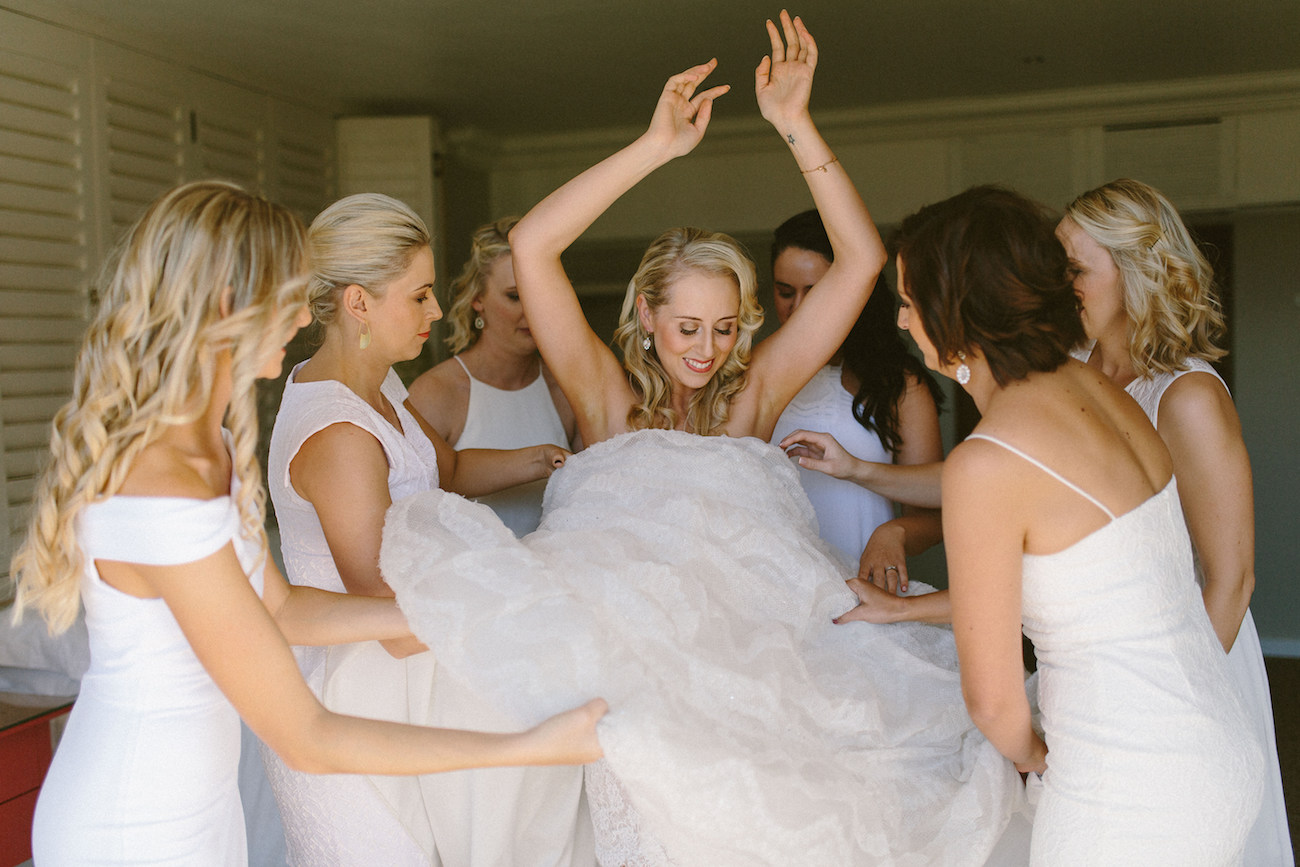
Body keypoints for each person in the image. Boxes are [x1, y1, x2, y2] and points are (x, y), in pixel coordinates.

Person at [381, 16, 1033, 867]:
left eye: (726, 327)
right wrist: (655, 145)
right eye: (686, 325)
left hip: (765, 666)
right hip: (637, 670)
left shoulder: (751, 394)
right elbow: (535, 244)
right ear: (646, 316)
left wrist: (796, 123)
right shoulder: (604, 395)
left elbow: (861, 259)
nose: (706, 348)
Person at [8, 181, 605, 866]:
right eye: (289, 296)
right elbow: (307, 734)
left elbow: (284, 608)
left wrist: (462, 605)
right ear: (230, 307)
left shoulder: (215, 446)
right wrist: (527, 747)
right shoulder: (159, 486)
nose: (302, 317)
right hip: (135, 818)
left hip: (204, 805)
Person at [895, 184, 1262, 862]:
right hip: (1216, 749)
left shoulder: (985, 464)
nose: (899, 321)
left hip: (1126, 781)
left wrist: (1037, 755)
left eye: (909, 302)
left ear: (954, 311)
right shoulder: (1103, 390)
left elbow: (996, 705)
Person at [264, 193, 592, 866]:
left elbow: (442, 468)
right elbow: (388, 607)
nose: (437, 312)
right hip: (366, 705)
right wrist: (526, 587)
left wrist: (547, 458)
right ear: (358, 302)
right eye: (418, 297)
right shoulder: (338, 432)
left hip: (415, 689)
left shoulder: (376, 389)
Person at [1059, 177, 1291, 865]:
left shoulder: (1186, 397)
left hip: (1188, 661)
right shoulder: (1074, 369)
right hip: (1098, 653)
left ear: (1133, 270)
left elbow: (1233, 577)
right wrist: (865, 473)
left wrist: (1168, 704)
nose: (1060, 283)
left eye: (1074, 268)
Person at [766, 209, 944, 585]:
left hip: (860, 590)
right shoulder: (750, 374)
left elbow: (932, 513)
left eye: (816, 293)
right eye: (785, 292)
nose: (798, 308)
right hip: (774, 591)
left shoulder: (901, 386)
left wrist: (892, 533)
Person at [408, 217, 580, 537]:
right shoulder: (437, 392)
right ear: (478, 300)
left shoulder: (565, 389)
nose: (531, 310)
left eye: (539, 294)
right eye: (514, 296)